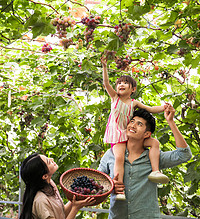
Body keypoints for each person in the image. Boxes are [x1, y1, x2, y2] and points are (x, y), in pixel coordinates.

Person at [98, 105, 192, 218]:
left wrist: (170, 121)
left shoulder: (154, 157)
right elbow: (97, 181)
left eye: (139, 124)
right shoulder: (112, 154)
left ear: (147, 134)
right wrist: (110, 186)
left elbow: (184, 155)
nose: (133, 125)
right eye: (132, 121)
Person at [101, 55, 169, 199]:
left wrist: (164, 107)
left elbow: (150, 108)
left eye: (125, 83)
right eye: (119, 82)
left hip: (130, 136)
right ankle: (120, 191)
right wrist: (105, 67)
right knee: (119, 158)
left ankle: (155, 171)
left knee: (154, 143)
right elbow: (106, 83)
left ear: (133, 89)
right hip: (118, 135)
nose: (121, 84)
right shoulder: (114, 98)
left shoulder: (134, 103)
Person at [19, 153, 95, 219]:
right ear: (45, 176)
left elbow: (62, 213)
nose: (52, 159)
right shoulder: (41, 201)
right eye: (49, 162)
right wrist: (75, 208)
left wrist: (75, 199)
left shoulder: (50, 184)